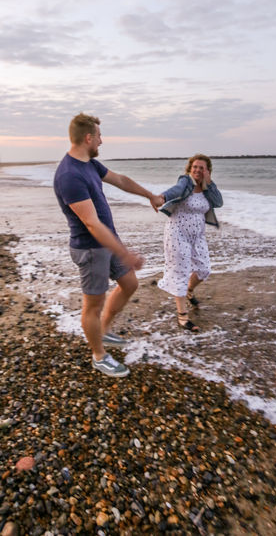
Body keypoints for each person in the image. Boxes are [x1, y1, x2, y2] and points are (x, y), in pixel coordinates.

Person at [54, 113, 164, 377]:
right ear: (88, 138)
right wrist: (124, 253)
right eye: (99, 137)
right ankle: (99, 355)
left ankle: (103, 331)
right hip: (91, 248)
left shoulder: (89, 165)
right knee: (92, 305)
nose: (102, 142)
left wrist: (149, 195)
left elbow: (121, 180)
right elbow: (91, 224)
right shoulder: (69, 175)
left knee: (130, 283)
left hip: (107, 242)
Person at [157, 154, 223, 332]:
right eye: (194, 167)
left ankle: (189, 291)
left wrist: (209, 183)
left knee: (204, 268)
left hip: (197, 236)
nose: (197, 170)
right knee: (180, 271)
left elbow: (218, 202)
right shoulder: (185, 182)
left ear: (207, 171)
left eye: (201, 168)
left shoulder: (208, 189)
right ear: (189, 168)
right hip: (177, 232)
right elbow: (175, 191)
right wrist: (162, 197)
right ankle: (182, 316)